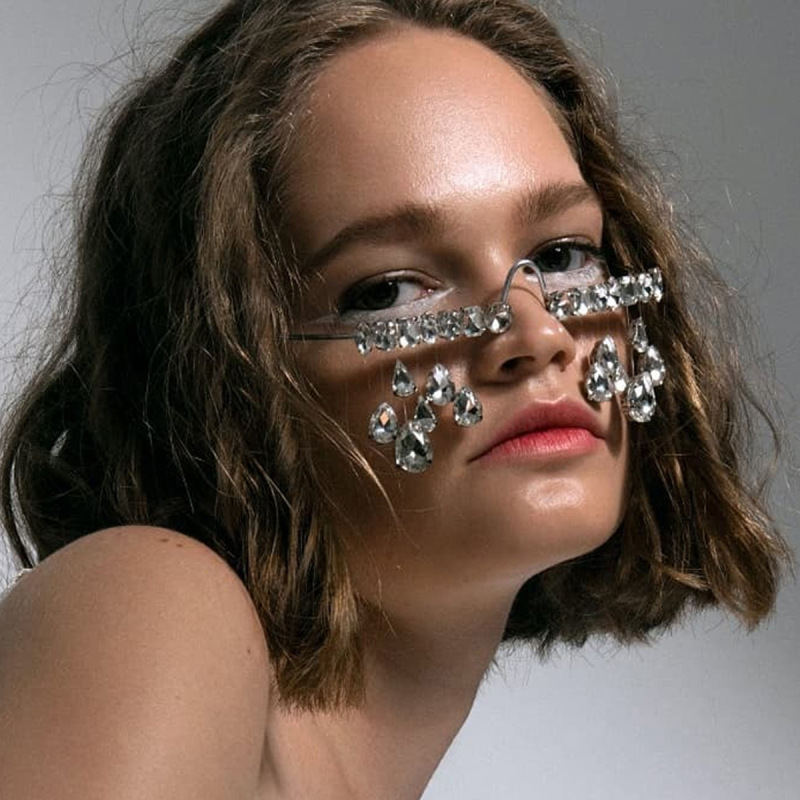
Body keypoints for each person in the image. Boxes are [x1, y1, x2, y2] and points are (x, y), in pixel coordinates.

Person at [0, 0, 790, 797]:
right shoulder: (150, 603)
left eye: (560, 254)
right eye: (387, 289)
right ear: (222, 373)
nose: (538, 333)